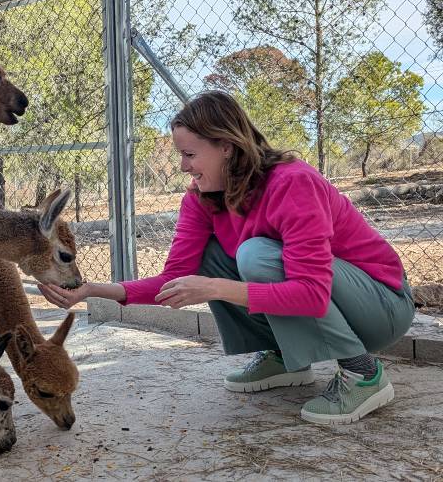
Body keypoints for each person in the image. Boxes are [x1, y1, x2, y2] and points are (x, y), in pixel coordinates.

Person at [39, 91, 414, 425]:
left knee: (255, 255)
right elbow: (176, 281)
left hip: (381, 307)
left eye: (189, 154)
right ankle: (286, 357)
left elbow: (313, 294)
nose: (183, 166)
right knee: (215, 257)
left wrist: (218, 288)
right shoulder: (201, 197)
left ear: (226, 147)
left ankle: (363, 373)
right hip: (334, 306)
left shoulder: (292, 183)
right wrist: (90, 290)